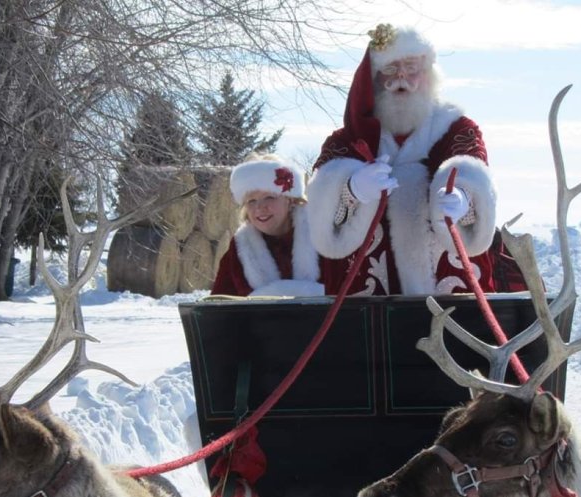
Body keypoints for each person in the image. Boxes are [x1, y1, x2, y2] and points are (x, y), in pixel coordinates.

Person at [306, 23, 506, 296]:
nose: (401, 76)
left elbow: (471, 167)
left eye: (411, 67)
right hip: (367, 293)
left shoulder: (457, 129)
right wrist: (351, 188)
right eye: (390, 68)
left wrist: (462, 199)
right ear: (373, 78)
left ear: (429, 74)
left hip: (448, 279)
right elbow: (322, 209)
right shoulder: (346, 140)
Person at [210, 154, 326, 297]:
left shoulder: (323, 238)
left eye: (269, 197)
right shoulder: (240, 247)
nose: (259, 208)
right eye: (251, 201)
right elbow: (220, 304)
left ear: (290, 200)